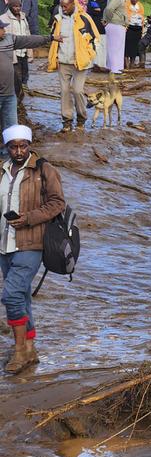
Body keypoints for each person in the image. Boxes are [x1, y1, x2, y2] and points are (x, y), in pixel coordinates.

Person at [0, 125, 65, 373]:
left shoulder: (43, 169)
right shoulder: (2, 170)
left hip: (32, 242)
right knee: (23, 295)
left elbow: (58, 203)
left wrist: (28, 218)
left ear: (29, 145)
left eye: (23, 146)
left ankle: (19, 353)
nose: (18, 151)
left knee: (11, 295)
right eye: (13, 146)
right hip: (5, 244)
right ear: (7, 147)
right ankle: (29, 348)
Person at [48, 0, 100, 132]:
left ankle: (81, 119)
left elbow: (95, 39)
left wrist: (90, 56)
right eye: (62, 6)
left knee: (77, 90)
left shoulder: (84, 18)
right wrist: (54, 57)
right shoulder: (57, 19)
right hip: (63, 61)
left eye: (66, 6)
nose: (63, 9)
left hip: (80, 63)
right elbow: (53, 39)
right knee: (64, 91)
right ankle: (67, 121)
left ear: (72, 4)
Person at [0, 20, 55, 135]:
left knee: (12, 130)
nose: (4, 31)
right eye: (2, 28)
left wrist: (50, 38)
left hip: (9, 95)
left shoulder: (9, 39)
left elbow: (28, 40)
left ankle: (9, 151)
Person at [5, 0, 31, 99]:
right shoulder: (4, 19)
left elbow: (27, 34)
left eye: (19, 6)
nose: (17, 8)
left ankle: (20, 100)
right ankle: (16, 101)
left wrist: (30, 52)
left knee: (25, 77)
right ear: (10, 7)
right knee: (16, 79)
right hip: (13, 54)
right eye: (15, 6)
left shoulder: (24, 18)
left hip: (23, 52)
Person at [104, 0, 128, 74]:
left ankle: (112, 68)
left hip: (114, 24)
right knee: (116, 48)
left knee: (113, 47)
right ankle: (116, 69)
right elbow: (109, 9)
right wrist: (110, 19)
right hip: (116, 24)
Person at [86, 0, 109, 71]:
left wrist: (98, 9)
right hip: (93, 25)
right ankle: (94, 64)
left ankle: (102, 64)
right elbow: (92, 11)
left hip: (103, 26)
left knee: (103, 45)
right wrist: (98, 10)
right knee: (94, 45)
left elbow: (101, 10)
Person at [124, 0, 144, 69]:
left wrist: (142, 29)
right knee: (127, 46)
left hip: (138, 28)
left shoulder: (140, 5)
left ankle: (132, 63)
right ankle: (126, 64)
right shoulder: (126, 4)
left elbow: (142, 16)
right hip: (129, 28)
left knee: (135, 47)